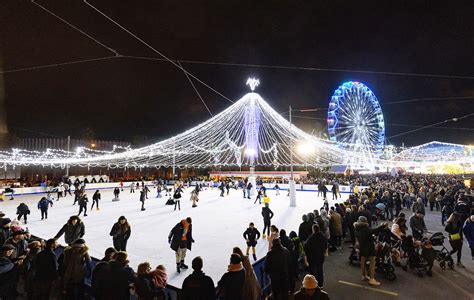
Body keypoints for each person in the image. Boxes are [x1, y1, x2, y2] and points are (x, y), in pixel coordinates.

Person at [354, 216, 387, 286]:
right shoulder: (365, 229)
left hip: (362, 248)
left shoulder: (357, 228)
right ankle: (372, 279)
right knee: (372, 263)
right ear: (365, 222)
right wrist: (383, 225)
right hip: (369, 249)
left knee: (363, 262)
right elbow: (374, 230)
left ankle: (364, 275)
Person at [304, 224, 327, 288]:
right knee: (320, 271)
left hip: (312, 259)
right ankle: (321, 285)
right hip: (320, 258)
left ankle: (314, 285)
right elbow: (325, 246)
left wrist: (306, 260)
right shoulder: (323, 237)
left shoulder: (310, 239)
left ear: (313, 230)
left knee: (313, 273)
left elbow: (305, 248)